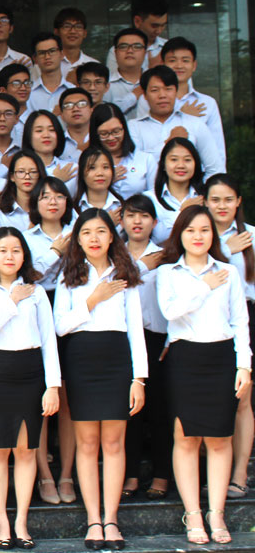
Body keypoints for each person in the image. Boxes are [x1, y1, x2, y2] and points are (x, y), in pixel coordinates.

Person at [156, 205, 251, 545]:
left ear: (214, 235)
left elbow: (240, 321)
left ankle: (217, 512)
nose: (198, 236)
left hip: (222, 357)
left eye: (205, 230)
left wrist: (244, 365)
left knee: (220, 438)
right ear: (180, 234)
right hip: (185, 358)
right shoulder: (168, 272)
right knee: (185, 438)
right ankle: (193, 513)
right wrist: (204, 286)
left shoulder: (229, 271)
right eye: (191, 230)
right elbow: (170, 311)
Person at [54, 209, 147, 550]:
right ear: (77, 239)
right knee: (88, 442)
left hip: (117, 359)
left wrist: (139, 378)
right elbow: (60, 326)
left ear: (112, 237)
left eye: (101, 231)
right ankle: (93, 519)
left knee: (114, 443)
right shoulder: (68, 276)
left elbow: (135, 329)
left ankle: (112, 519)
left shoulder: (124, 273)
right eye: (86, 232)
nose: (94, 238)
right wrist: (92, 300)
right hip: (81, 360)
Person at [0, 227, 61, 549]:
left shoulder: (36, 292)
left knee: (26, 449)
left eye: (16, 250)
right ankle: (2, 521)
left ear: (24, 256)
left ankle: (21, 520)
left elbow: (49, 340)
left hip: (31, 371)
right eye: (3, 250)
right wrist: (11, 300)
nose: (10, 256)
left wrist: (52, 386)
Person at [22, 177, 77, 505]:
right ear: (35, 203)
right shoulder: (26, 238)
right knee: (39, 401)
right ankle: (44, 474)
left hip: (73, 314)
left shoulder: (80, 232)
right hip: (37, 310)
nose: (52, 202)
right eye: (45, 197)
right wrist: (56, 251)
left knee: (68, 401)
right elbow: (28, 275)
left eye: (59, 196)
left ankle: (66, 474)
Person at [204, 175, 255, 500]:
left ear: (238, 201)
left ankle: (239, 473)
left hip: (246, 317)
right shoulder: (198, 234)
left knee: (243, 399)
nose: (221, 205)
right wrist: (225, 250)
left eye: (228, 199)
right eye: (215, 199)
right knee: (214, 400)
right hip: (207, 323)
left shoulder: (251, 236)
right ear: (205, 202)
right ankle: (212, 471)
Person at [121, 194, 171, 500]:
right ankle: (130, 473)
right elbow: (114, 286)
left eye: (143, 216)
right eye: (131, 215)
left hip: (158, 339)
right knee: (129, 410)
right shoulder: (115, 254)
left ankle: (162, 473)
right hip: (125, 340)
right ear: (122, 220)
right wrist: (139, 267)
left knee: (160, 409)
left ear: (154, 222)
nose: (137, 221)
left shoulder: (166, 256)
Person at [89, 103, 156, 199]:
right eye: (104, 133)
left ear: (124, 129)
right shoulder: (88, 162)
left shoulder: (145, 159)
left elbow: (155, 196)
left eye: (116, 131)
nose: (111, 138)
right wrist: (107, 182)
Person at [144, 137, 204, 244]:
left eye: (187, 160)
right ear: (163, 164)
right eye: (174, 160)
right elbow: (153, 238)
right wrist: (181, 213)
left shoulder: (205, 197)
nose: (181, 165)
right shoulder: (149, 199)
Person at [0, 150, 44, 231]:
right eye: (21, 172)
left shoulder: (48, 210)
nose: (27, 177)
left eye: (33, 172)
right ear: (12, 176)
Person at [20, 110, 76, 184]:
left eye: (51, 130)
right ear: (28, 136)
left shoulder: (72, 169)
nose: (46, 135)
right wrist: (57, 180)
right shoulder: (20, 170)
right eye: (39, 130)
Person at [74, 147, 123, 220]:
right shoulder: (73, 210)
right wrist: (109, 223)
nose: (100, 173)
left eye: (105, 167)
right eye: (92, 168)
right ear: (82, 172)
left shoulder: (123, 207)